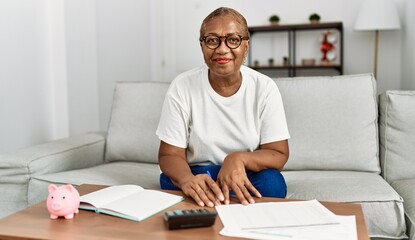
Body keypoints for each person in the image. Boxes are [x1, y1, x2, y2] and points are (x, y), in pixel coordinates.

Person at [156, 7, 290, 208]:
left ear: (246, 46)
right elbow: (169, 155)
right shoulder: (182, 86)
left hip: (245, 173)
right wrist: (186, 180)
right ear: (202, 46)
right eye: (212, 40)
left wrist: (238, 159)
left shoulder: (265, 87)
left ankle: (214, 198)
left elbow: (278, 154)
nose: (221, 49)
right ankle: (217, 196)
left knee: (272, 183)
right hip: (201, 173)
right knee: (170, 179)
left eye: (233, 40)